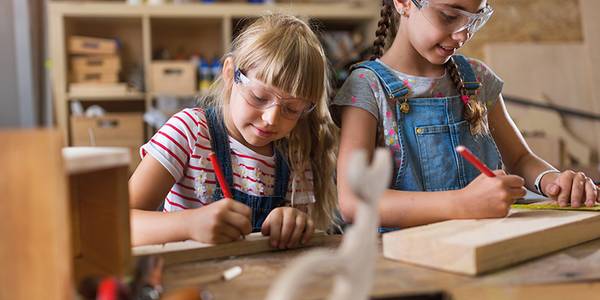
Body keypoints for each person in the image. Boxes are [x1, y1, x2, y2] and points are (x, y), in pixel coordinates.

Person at [333, 0, 599, 231]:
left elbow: (520, 158)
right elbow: (354, 201)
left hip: (484, 245)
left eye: (476, 19)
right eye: (449, 16)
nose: (462, 35)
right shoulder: (367, 87)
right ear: (403, 2)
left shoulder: (478, 78)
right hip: (404, 258)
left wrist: (554, 181)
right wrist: (461, 204)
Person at [129, 14, 338, 246]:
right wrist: (189, 224)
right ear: (230, 74)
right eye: (259, 97)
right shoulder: (189, 132)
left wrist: (293, 223)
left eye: (292, 108)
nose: (271, 118)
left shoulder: (296, 155)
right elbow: (121, 224)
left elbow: (297, 242)